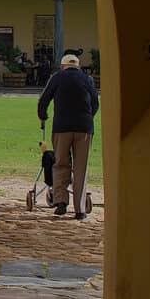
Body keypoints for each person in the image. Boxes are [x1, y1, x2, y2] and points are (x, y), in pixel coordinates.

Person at [38, 53, 100, 220]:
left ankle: (60, 202)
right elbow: (95, 102)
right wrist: (87, 117)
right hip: (84, 128)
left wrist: (43, 116)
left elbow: (44, 100)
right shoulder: (87, 79)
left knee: (60, 164)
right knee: (81, 167)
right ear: (77, 66)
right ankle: (80, 209)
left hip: (62, 127)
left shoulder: (57, 78)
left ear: (63, 66)